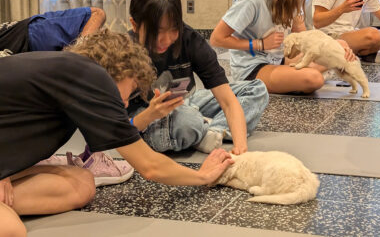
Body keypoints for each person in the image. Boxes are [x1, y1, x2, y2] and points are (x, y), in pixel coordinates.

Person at [0, 29, 234, 236]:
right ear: (117, 72)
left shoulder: (72, 74)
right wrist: (202, 177)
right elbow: (149, 166)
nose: (123, 103)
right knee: (12, 230)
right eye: (129, 90)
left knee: (81, 183)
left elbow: (122, 136)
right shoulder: (90, 78)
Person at [128, 0, 268, 155]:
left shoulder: (190, 40)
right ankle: (200, 128)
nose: (166, 39)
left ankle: (213, 131)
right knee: (187, 122)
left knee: (256, 89)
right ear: (135, 25)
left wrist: (241, 149)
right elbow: (116, 128)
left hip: (184, 102)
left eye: (174, 29)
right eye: (157, 31)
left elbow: (228, 101)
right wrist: (150, 115)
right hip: (146, 116)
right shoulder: (124, 55)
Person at [0, 7, 137, 187]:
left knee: (81, 186)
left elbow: (98, 13)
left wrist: (77, 60)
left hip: (43, 50)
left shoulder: (41, 35)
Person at [210, 0, 355, 94]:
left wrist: (333, 48)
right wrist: (259, 44)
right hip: (253, 69)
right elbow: (217, 39)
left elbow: (302, 34)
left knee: (340, 45)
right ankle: (300, 75)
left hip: (280, 60)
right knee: (314, 79)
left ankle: (304, 72)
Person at [0, 7, 106, 53]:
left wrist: (78, 53)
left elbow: (97, 14)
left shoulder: (42, 29)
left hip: (31, 35)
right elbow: (97, 14)